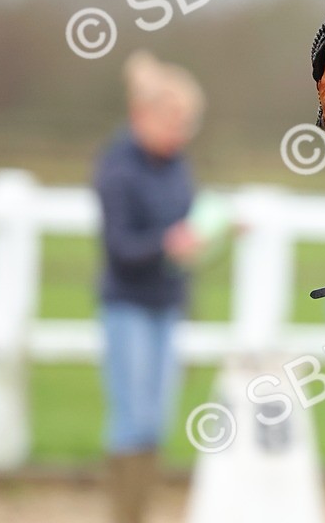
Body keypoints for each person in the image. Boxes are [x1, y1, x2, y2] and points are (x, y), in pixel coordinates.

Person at [94, 50, 205, 523]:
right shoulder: (116, 168)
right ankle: (124, 514)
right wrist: (167, 244)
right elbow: (120, 247)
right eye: (174, 122)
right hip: (128, 305)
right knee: (131, 417)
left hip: (166, 301)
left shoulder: (175, 165)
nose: (180, 134)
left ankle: (138, 511)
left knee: (156, 418)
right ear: (144, 115)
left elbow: (186, 219)